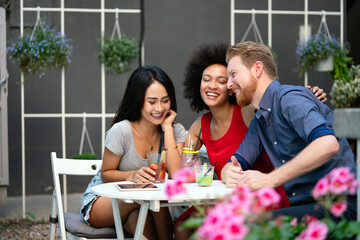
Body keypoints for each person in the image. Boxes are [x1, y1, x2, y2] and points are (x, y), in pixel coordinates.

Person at [174, 42, 328, 239]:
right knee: (181, 224)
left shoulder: (248, 111)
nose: (213, 86)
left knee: (212, 227)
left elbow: (270, 99)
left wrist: (306, 97)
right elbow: (182, 170)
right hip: (228, 195)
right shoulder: (199, 125)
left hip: (264, 195)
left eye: (223, 80)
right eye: (206, 79)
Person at [221, 41, 357, 221]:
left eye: (233, 74)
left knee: (250, 224)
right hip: (309, 208)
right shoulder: (260, 120)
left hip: (340, 206)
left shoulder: (289, 98)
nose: (228, 84)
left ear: (257, 69)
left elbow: (328, 144)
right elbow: (235, 162)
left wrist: (269, 180)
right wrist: (228, 172)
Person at [80, 66, 186, 240]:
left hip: (141, 206)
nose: (159, 108)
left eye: (165, 100)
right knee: (152, 197)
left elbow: (176, 174)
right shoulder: (121, 131)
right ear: (138, 100)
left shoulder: (175, 131)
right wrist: (132, 176)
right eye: (152, 102)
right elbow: (106, 174)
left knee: (140, 218)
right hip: (104, 200)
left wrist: (167, 129)